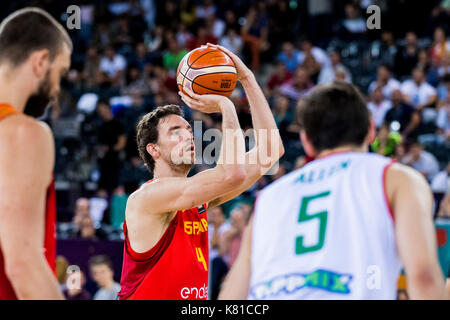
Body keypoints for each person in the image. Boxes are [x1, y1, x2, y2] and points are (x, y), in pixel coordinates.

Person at [219, 82, 447, 299]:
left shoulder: (269, 197)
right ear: (371, 129)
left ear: (306, 141)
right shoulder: (396, 178)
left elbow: (232, 294)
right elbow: (423, 277)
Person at [118, 43, 284, 300]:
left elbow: (271, 152)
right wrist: (227, 106)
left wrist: (248, 79)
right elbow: (233, 174)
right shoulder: (147, 198)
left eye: (188, 129)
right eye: (176, 132)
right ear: (154, 150)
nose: (188, 135)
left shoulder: (199, 199)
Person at [0, 7, 72, 300]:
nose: (57, 89)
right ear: (41, 61)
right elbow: (23, 266)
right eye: (61, 73)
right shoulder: (22, 132)